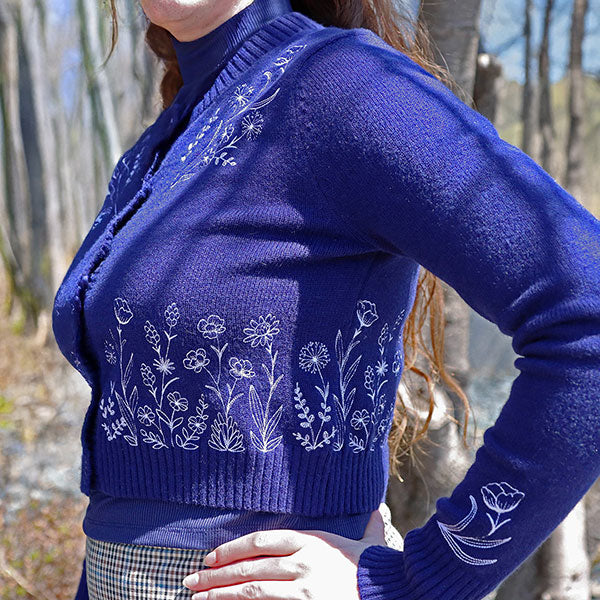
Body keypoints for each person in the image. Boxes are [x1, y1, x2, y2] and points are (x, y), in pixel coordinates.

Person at [50, 0, 600, 598]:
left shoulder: (341, 86)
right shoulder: (165, 143)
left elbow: (586, 312)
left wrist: (417, 583)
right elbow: (130, 514)